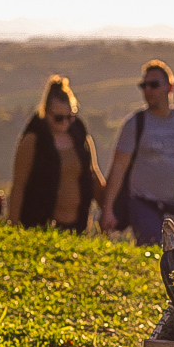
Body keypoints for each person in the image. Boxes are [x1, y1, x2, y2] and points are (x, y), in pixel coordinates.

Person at [100, 60, 174, 245]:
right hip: (143, 205)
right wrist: (108, 210)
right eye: (144, 85)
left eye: (154, 85)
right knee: (155, 254)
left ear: (170, 87)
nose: (148, 90)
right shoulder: (135, 124)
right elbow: (118, 167)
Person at [8, 75, 106, 233]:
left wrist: (107, 211)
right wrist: (12, 226)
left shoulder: (80, 134)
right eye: (59, 118)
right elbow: (19, 185)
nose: (65, 123)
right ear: (46, 113)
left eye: (70, 117)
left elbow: (92, 173)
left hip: (77, 225)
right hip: (39, 223)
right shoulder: (33, 139)